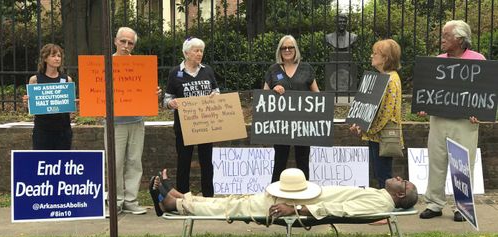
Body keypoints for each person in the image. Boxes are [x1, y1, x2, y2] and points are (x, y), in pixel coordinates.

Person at [148, 168, 418, 219]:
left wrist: (297, 211)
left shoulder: (379, 201)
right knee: (236, 202)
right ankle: (181, 197)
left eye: (402, 181)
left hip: (296, 204)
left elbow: (341, 210)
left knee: (233, 207)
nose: (398, 177)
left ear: (401, 195)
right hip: (298, 196)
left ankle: (177, 204)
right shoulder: (379, 194)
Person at [418, 20, 485, 222]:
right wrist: (424, 104)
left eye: (446, 36)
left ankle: (462, 207)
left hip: (465, 122)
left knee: (462, 163)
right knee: (436, 161)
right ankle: (434, 204)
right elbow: (428, 91)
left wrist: (479, 111)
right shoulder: (437, 61)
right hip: (438, 119)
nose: (443, 39)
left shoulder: (478, 60)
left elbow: (484, 93)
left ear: (459, 38)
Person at [108, 27, 161, 215]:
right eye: (123, 41)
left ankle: (131, 200)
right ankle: (115, 201)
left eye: (130, 43)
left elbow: (147, 90)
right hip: (115, 122)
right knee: (115, 162)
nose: (126, 46)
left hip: (137, 120)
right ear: (115, 41)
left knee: (134, 161)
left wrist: (154, 92)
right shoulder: (105, 64)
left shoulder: (140, 65)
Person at [163, 37, 220, 197]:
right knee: (184, 162)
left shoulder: (207, 70)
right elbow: (166, 99)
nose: (199, 54)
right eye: (196, 50)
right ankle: (183, 197)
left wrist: (215, 95)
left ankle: (208, 197)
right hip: (184, 127)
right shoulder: (175, 73)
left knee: (206, 162)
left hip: (205, 125)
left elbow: (216, 91)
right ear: (186, 53)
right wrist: (171, 103)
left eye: (201, 50)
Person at [263, 35, 320, 183]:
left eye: (290, 47)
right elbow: (264, 96)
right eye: (284, 48)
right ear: (279, 51)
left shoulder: (306, 68)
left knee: (303, 161)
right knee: (280, 161)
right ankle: (276, 197)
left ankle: (303, 196)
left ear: (296, 49)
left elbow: (317, 95)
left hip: (303, 124)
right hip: (280, 124)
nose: (287, 50)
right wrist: (274, 88)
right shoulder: (273, 70)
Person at [350, 39, 403, 189]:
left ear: (386, 58)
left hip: (383, 136)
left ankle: (387, 204)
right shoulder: (382, 77)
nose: (371, 56)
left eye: (375, 54)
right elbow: (370, 106)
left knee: (383, 175)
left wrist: (366, 128)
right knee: (378, 173)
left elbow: (385, 112)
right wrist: (359, 122)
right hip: (375, 135)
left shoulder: (391, 80)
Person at [24, 44, 73, 150]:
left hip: (63, 129)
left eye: (59, 56)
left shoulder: (67, 79)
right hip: (42, 129)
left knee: (62, 162)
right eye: (53, 56)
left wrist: (73, 103)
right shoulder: (35, 80)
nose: (57, 59)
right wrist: (27, 103)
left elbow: (70, 107)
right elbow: (30, 108)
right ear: (45, 58)